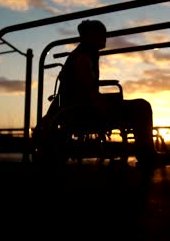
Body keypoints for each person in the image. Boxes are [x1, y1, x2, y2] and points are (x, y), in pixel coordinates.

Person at [58, 19, 157, 168]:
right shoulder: (83, 58)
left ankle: (146, 153)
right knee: (142, 106)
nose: (105, 37)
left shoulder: (82, 55)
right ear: (91, 36)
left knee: (138, 105)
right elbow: (87, 91)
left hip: (81, 108)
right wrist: (105, 104)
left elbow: (85, 89)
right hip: (85, 112)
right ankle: (146, 155)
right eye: (102, 34)